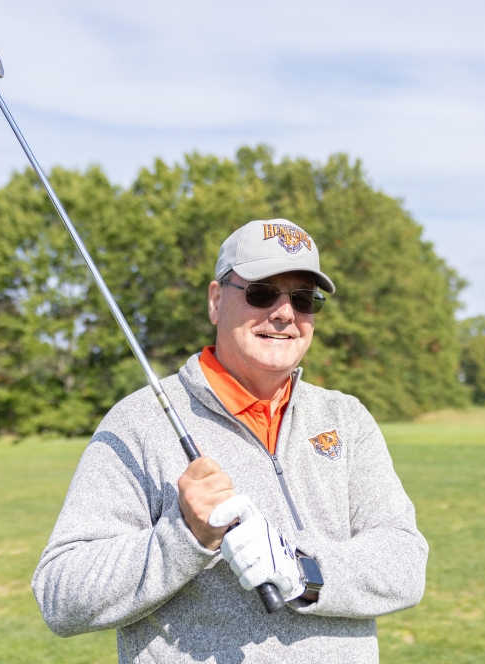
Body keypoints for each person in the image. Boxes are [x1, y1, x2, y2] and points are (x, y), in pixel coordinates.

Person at [32, 218, 428, 663]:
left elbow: (405, 564)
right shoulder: (137, 421)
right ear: (217, 301)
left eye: (303, 299)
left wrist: (298, 569)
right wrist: (184, 537)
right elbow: (60, 594)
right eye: (261, 293)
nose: (284, 313)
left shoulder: (346, 418)